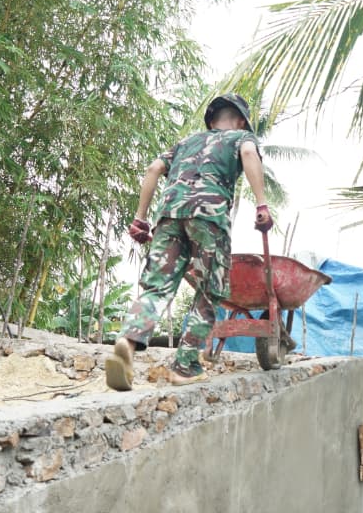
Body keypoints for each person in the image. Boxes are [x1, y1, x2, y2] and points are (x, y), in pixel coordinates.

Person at [105, 93, 273, 390]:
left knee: (157, 287)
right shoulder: (241, 137)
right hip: (208, 217)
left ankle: (128, 341)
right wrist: (261, 204)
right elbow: (249, 154)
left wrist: (140, 218)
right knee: (209, 291)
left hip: (169, 215)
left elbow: (153, 169)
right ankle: (185, 366)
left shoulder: (186, 142)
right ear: (241, 120)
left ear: (211, 120)